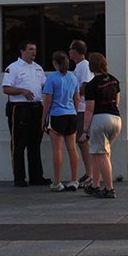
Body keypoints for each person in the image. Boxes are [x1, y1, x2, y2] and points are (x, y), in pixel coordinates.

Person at [1, 42, 47, 188]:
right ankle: (19, 177)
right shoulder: (13, 68)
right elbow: (6, 88)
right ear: (22, 51)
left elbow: (44, 86)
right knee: (19, 143)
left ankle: (36, 176)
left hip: (36, 107)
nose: (34, 52)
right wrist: (22, 91)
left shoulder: (38, 68)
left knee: (35, 143)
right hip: (20, 108)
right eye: (30, 49)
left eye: (35, 49)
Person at [78, 52, 121, 198]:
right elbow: (117, 101)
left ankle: (109, 189)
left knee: (101, 155)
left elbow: (89, 109)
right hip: (116, 119)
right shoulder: (114, 80)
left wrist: (85, 130)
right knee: (97, 153)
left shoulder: (92, 85)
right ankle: (95, 186)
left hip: (100, 119)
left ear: (91, 66)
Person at [42, 51, 82, 191]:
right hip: (71, 114)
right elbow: (77, 98)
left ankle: (57, 182)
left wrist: (44, 117)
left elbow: (48, 100)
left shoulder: (51, 79)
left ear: (55, 63)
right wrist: (75, 112)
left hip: (57, 114)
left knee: (57, 150)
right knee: (72, 148)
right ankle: (74, 180)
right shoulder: (73, 77)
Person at [67, 41, 94, 188]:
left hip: (82, 109)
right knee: (81, 142)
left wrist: (74, 96)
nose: (69, 52)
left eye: (71, 49)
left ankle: (90, 174)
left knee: (83, 142)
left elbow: (86, 85)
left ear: (76, 51)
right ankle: (89, 172)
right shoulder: (78, 67)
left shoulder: (84, 66)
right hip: (79, 108)